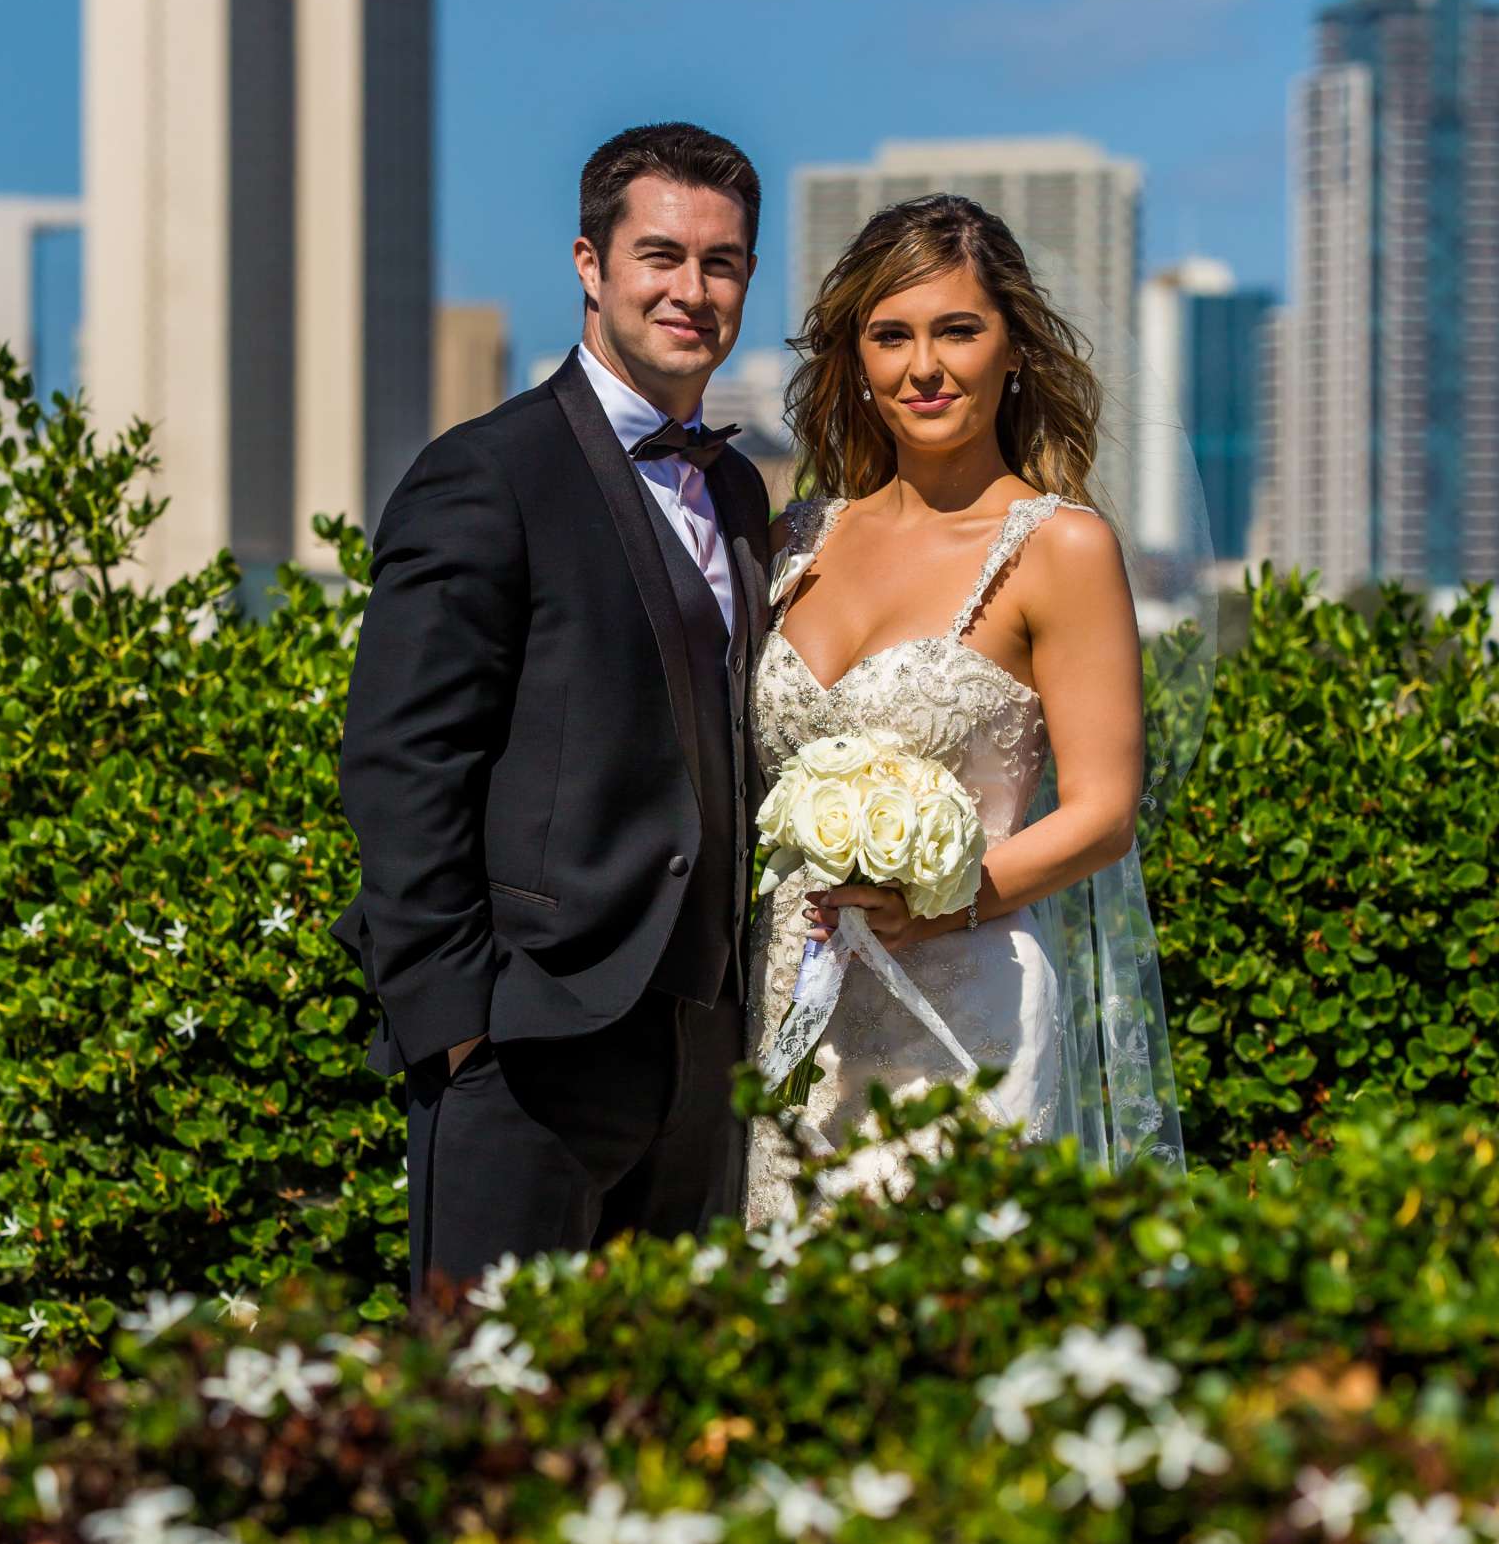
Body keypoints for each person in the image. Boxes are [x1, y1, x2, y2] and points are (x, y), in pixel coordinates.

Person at [334, 122, 772, 1303]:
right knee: (486, 1424)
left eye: (722, 263)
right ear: (590, 263)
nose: (692, 290)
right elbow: (400, 760)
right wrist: (456, 1028)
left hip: (700, 1047)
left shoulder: (735, 485)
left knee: (660, 1426)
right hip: (522, 1047)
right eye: (661, 256)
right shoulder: (487, 471)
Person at [746, 193, 1183, 1224]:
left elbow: (1102, 815)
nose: (923, 367)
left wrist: (935, 900)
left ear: (1014, 349)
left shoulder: (1059, 549)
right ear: (855, 358)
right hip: (788, 1007)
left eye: (958, 330)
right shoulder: (793, 539)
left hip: (962, 1015)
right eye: (889, 336)